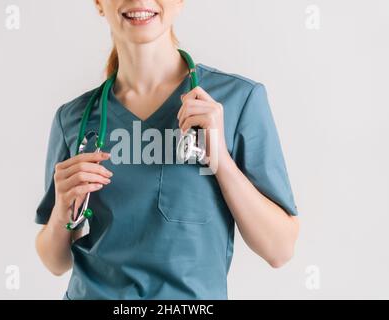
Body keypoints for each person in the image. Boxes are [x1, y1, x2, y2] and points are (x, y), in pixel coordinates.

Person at [35, 0, 300, 300]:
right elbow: (55, 262)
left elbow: (280, 249)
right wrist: (61, 213)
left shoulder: (237, 101)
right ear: (98, 3)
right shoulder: (74, 118)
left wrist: (221, 161)